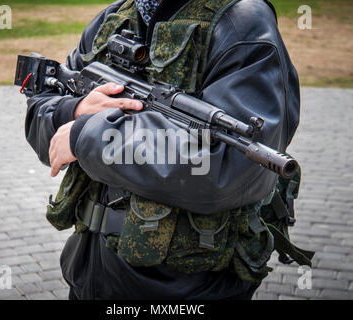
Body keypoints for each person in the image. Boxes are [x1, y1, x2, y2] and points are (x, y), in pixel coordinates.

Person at [25, 0, 301, 300]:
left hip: (189, 288)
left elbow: (230, 166)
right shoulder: (117, 16)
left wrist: (88, 136)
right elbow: (41, 110)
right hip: (89, 277)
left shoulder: (242, 23)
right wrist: (74, 109)